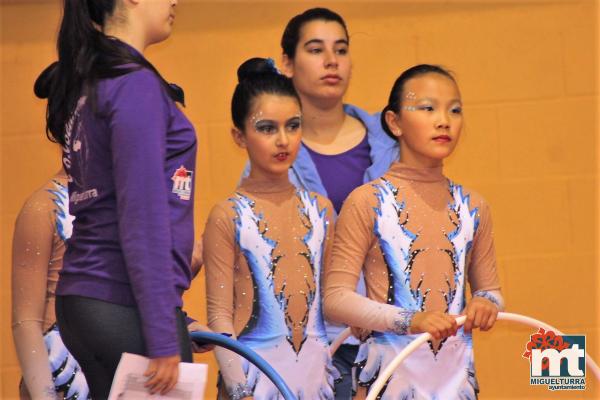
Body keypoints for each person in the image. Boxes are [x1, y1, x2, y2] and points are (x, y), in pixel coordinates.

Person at [33, 1, 196, 398]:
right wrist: (161, 334)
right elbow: (141, 217)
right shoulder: (133, 83)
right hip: (119, 301)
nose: (175, 1)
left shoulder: (97, 82)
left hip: (91, 302)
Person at [241, 9, 400, 397]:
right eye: (316, 49)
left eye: (341, 49)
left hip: (386, 338)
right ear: (287, 63)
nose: (332, 61)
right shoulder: (269, 153)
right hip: (306, 343)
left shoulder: (392, 141)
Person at [324, 64, 504, 399]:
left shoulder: (473, 206)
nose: (444, 120)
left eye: (455, 109)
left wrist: (485, 302)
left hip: (455, 383)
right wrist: (412, 320)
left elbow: (491, 289)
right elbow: (336, 300)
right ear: (394, 122)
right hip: (388, 381)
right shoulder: (368, 202)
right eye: (428, 108)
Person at [204, 57, 338, 400]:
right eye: (267, 128)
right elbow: (220, 317)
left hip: (315, 380)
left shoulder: (321, 210)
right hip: (252, 381)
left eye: (293, 126)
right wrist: (240, 390)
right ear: (239, 135)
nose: (283, 140)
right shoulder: (228, 215)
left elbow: (333, 301)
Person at [12, 170, 89, 400]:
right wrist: (44, 394)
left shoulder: (119, 197)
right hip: (63, 370)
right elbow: (25, 319)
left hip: (110, 361)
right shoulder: (44, 206)